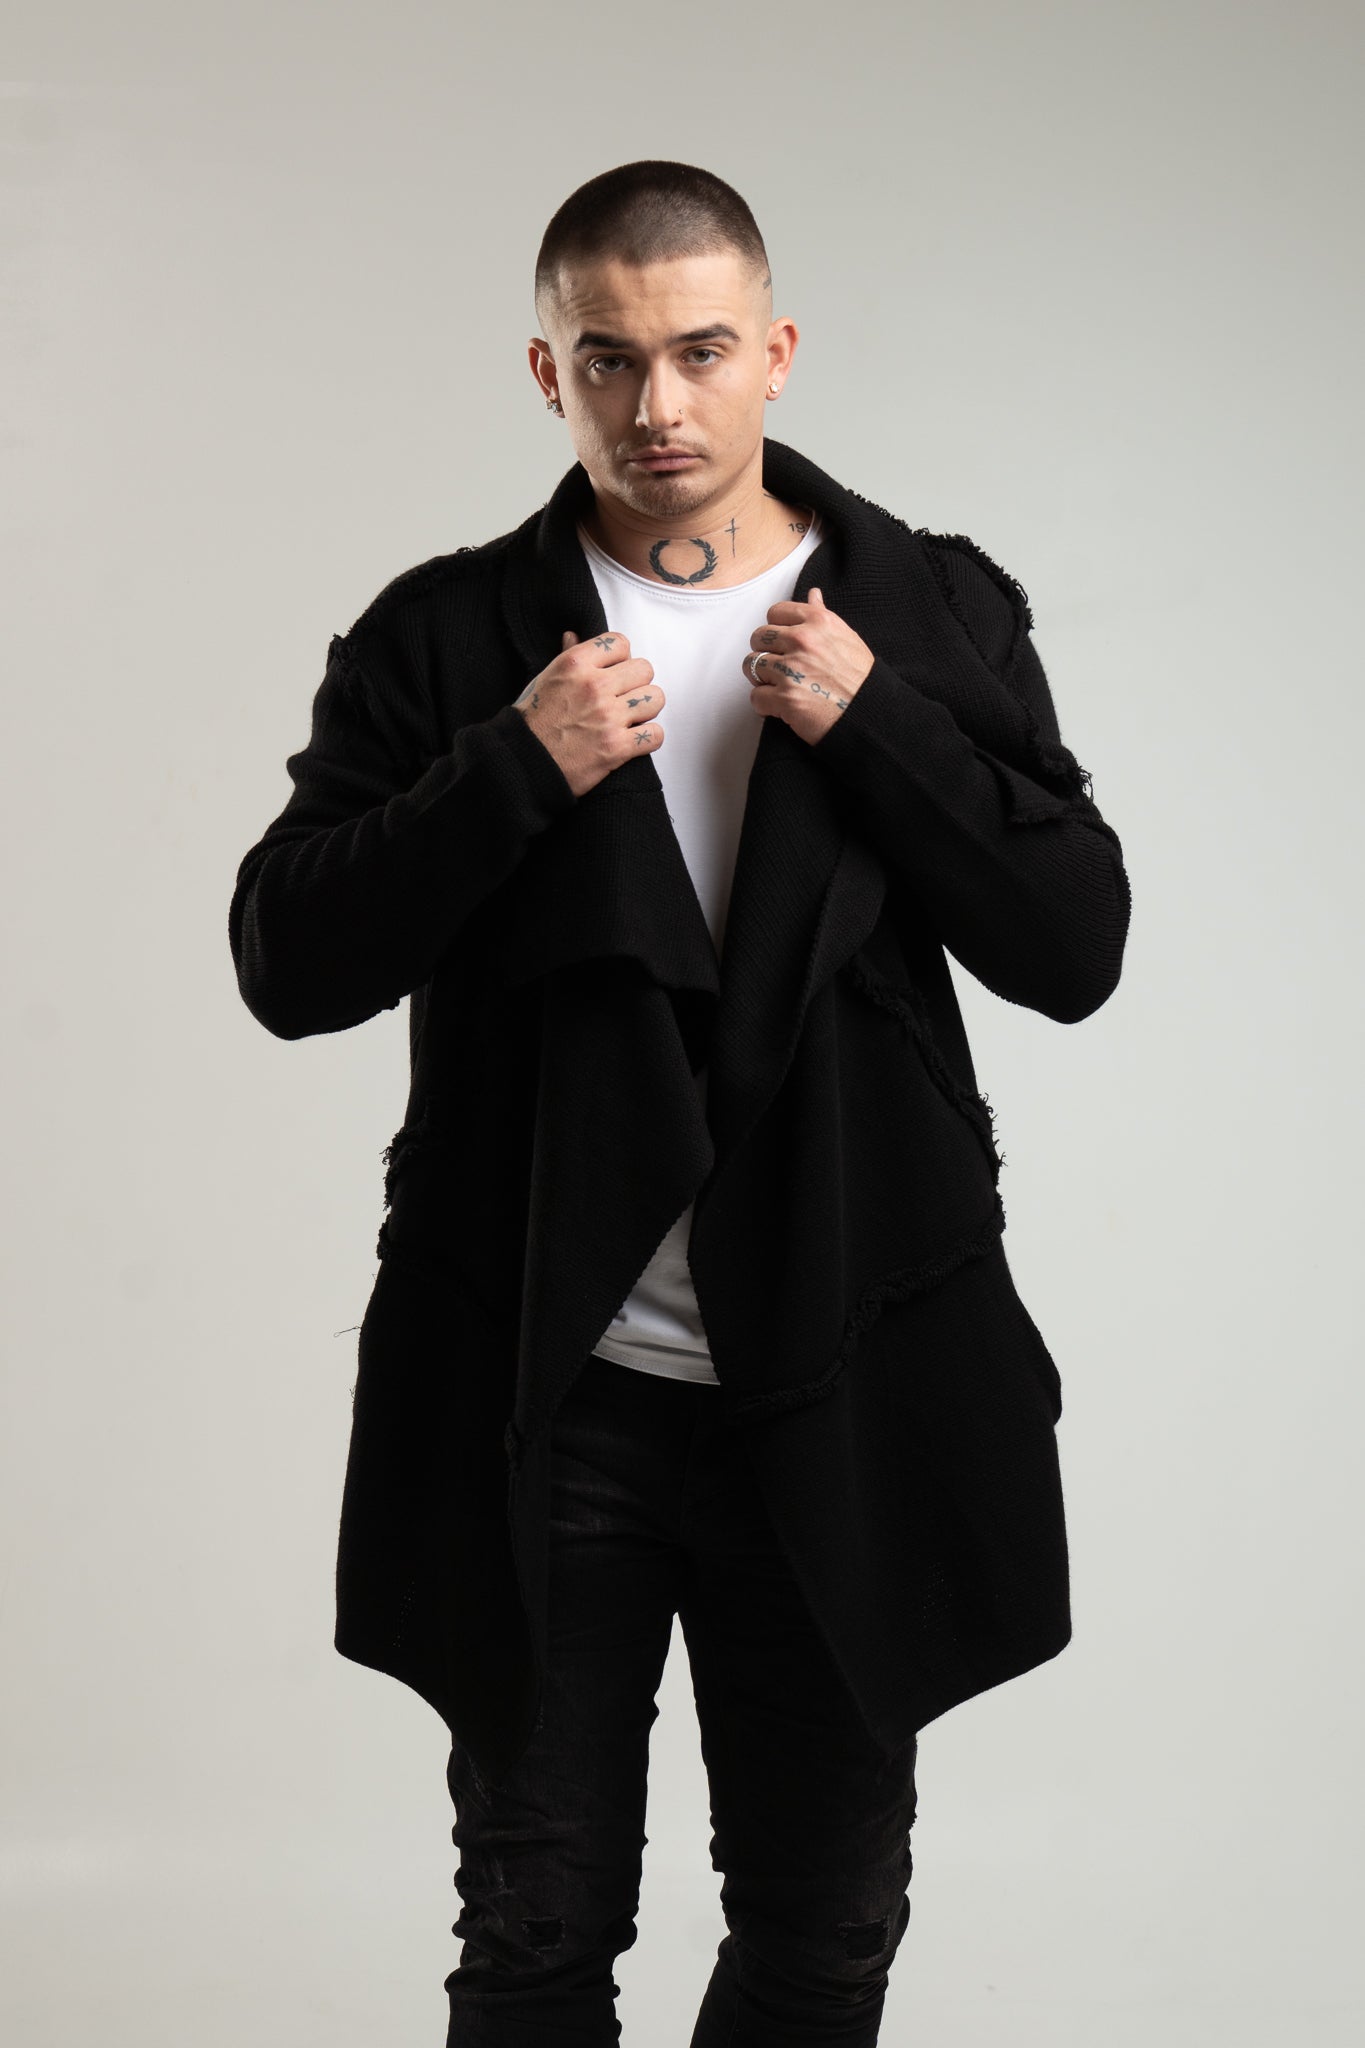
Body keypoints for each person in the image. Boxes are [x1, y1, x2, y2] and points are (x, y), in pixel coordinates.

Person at [229, 159, 1131, 2046]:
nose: (656, 405)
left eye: (700, 352)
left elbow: (1072, 944)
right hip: (553, 1392)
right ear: (543, 371)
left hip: (843, 1374)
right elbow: (287, 962)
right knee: (536, 1934)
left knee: (823, 1932)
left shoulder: (926, 609)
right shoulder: (446, 638)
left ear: (776, 353)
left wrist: (880, 727)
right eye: (607, 360)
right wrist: (510, 769)